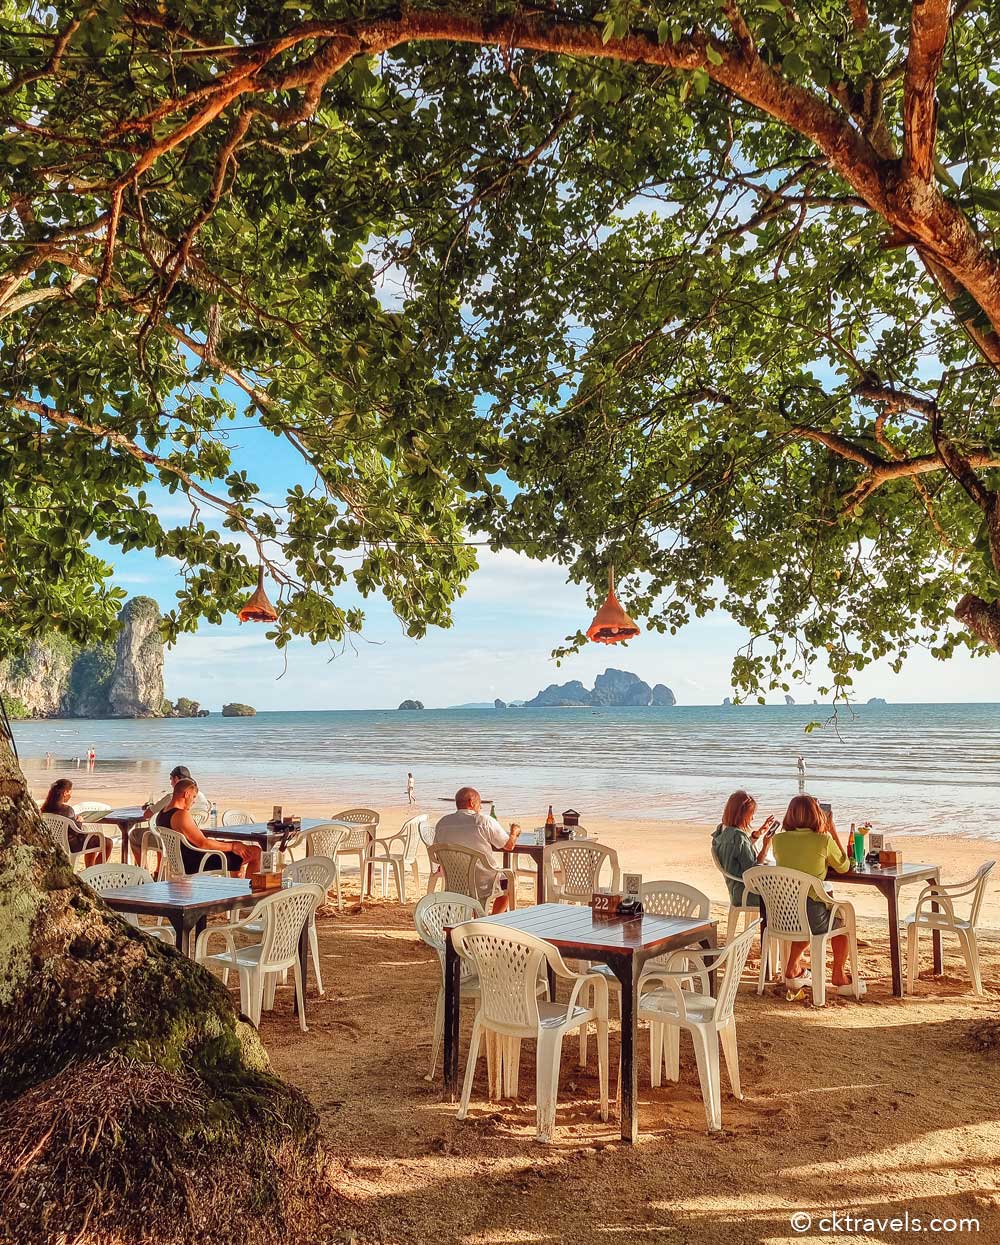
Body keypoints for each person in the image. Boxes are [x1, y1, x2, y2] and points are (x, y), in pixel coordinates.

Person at [771, 793, 863, 996]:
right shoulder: (822, 840)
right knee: (842, 918)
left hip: (783, 914)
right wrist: (832, 830)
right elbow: (843, 867)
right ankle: (838, 973)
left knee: (807, 916)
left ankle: (792, 967)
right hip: (810, 916)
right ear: (817, 815)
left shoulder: (777, 840)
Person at [433, 786, 518, 913]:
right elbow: (508, 846)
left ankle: (475, 914)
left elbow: (438, 854)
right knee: (510, 881)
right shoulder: (484, 821)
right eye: (479, 803)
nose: (481, 807)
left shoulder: (442, 823)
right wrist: (514, 832)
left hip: (455, 882)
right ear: (471, 803)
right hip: (484, 882)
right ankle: (493, 919)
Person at [155, 779, 259, 877]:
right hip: (198, 862)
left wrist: (233, 845)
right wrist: (233, 846)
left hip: (183, 861)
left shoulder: (162, 814)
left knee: (240, 851)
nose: (193, 801)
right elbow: (203, 843)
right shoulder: (181, 815)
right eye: (193, 797)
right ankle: (254, 893)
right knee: (255, 852)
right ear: (186, 794)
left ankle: (236, 887)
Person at [711, 790, 778, 912]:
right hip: (747, 893)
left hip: (735, 889)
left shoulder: (722, 830)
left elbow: (736, 851)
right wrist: (765, 846)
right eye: (751, 814)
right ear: (741, 815)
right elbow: (753, 870)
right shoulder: (738, 837)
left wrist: (757, 835)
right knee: (785, 894)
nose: (753, 818)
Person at [131, 765, 211, 863]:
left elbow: (147, 815)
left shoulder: (171, 798)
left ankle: (143, 869)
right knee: (160, 830)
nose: (170, 783)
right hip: (194, 836)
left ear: (176, 779)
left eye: (171, 780)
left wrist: (151, 807)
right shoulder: (200, 796)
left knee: (136, 834)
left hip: (172, 840)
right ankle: (157, 871)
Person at [40, 778, 112, 866]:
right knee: (108, 842)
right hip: (72, 845)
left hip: (56, 843)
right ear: (65, 792)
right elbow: (76, 830)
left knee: (92, 839)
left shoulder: (45, 809)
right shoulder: (67, 810)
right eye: (70, 792)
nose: (71, 795)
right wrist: (79, 821)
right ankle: (96, 870)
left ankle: (90, 869)